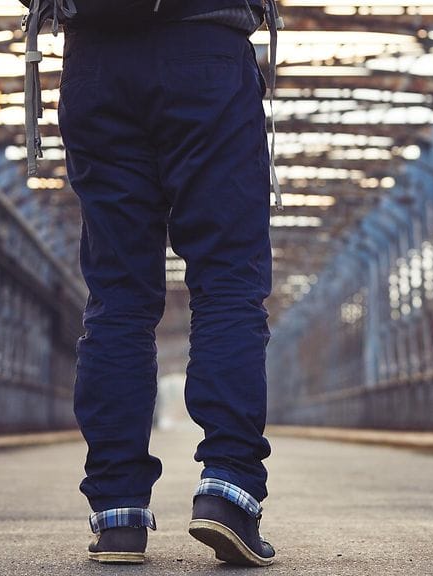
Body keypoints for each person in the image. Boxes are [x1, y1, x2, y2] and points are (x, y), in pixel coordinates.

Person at [53, 0, 277, 567]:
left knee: (118, 298)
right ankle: (229, 491)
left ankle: (118, 515)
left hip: (95, 60)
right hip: (208, 53)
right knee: (227, 283)